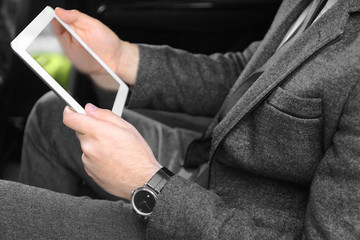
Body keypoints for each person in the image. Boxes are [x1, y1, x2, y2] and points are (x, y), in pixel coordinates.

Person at [1, 0, 360, 239]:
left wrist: (151, 185)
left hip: (224, 220)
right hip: (208, 165)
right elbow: (252, 74)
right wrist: (123, 58)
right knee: (53, 115)